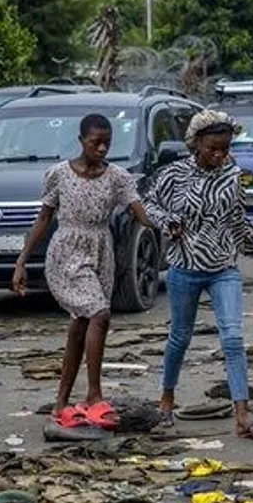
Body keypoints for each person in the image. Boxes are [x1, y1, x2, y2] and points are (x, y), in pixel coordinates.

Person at [12, 114, 156, 426]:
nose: (102, 149)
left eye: (107, 143)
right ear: (81, 141)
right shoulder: (59, 175)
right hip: (66, 252)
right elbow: (44, 219)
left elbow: (141, 213)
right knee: (100, 313)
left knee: (80, 324)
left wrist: (167, 226)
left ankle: (60, 402)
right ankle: (93, 394)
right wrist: (22, 260)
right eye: (95, 143)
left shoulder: (118, 177)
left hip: (100, 252)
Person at [143, 110, 253, 440]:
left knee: (232, 337)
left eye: (225, 148)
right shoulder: (173, 175)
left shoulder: (233, 176)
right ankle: (166, 401)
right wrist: (167, 222)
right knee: (180, 337)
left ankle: (242, 413)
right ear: (196, 143)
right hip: (183, 269)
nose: (219, 155)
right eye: (213, 148)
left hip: (223, 268)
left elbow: (238, 224)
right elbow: (147, 206)